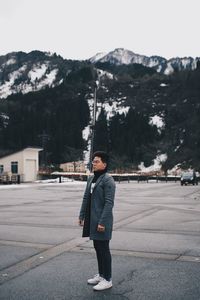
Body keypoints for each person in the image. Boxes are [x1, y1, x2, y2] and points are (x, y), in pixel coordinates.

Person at [79, 151, 116, 291]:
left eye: (97, 161)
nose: (93, 163)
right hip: (92, 219)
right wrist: (81, 215)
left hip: (102, 221)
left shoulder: (108, 180)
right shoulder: (91, 179)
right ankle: (101, 275)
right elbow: (85, 198)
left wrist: (102, 222)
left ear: (104, 164)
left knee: (104, 249)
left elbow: (109, 203)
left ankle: (108, 279)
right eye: (93, 161)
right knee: (97, 247)